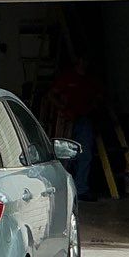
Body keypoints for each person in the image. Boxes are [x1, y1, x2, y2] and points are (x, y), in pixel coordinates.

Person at [47, 56, 108, 200]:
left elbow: (100, 96)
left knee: (84, 154)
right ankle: (61, 189)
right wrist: (61, 108)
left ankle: (81, 189)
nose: (84, 63)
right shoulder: (67, 78)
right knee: (62, 152)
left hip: (83, 119)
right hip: (66, 119)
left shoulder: (90, 80)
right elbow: (51, 95)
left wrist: (92, 107)